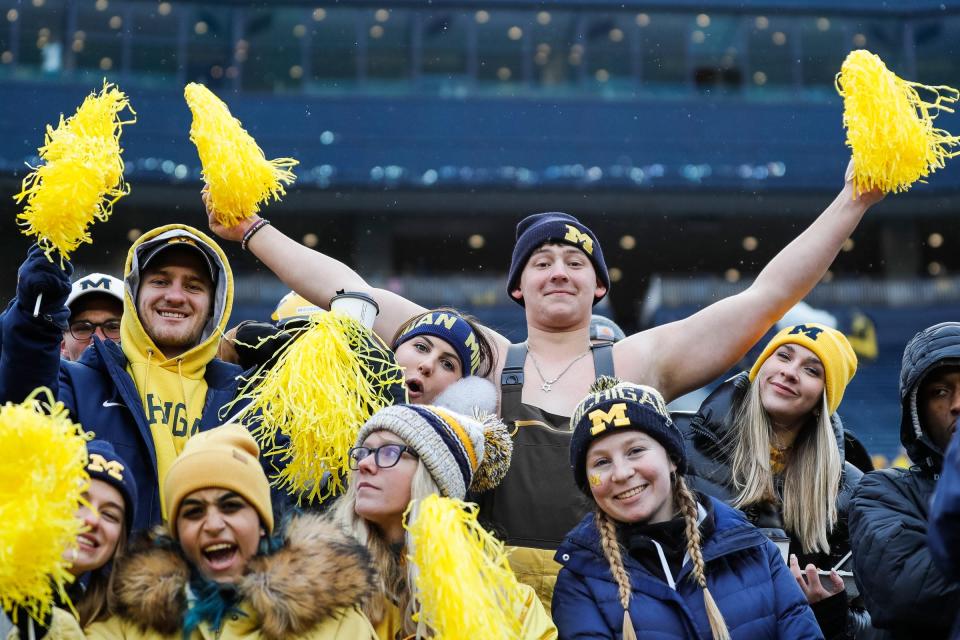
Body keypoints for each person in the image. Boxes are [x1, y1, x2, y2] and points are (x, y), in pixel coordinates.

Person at [205, 162, 882, 603]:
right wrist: (254, 230)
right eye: (543, 262)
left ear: (597, 288)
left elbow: (767, 296)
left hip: (615, 593)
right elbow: (353, 292)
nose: (559, 270)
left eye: (575, 262)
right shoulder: (488, 356)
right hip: (488, 592)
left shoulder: (640, 363)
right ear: (519, 285)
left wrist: (852, 200)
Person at [0, 224, 254, 533]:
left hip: (214, 577)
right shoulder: (79, 383)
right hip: (108, 581)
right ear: (134, 295)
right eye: (160, 281)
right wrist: (33, 319)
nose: (175, 296)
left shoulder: (247, 399)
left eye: (193, 286)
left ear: (214, 303)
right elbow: (23, 416)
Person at [34, 423, 376, 639]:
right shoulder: (133, 623)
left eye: (231, 507)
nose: (213, 525)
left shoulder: (335, 622)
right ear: (177, 535)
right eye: (193, 512)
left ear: (261, 524)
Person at [552, 378, 821, 639]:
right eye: (601, 462)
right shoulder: (579, 581)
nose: (621, 473)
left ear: (672, 458)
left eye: (635, 451)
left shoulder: (753, 548)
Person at [332, 378, 556, 639]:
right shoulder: (323, 581)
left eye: (389, 451)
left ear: (434, 477)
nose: (366, 464)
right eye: (363, 452)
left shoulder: (510, 603)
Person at [677, 323, 864, 638]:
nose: (790, 372)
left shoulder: (848, 489)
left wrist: (826, 611)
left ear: (825, 399)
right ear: (761, 365)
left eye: (812, 371)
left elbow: (870, 621)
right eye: (784, 356)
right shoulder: (682, 444)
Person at [848, 322, 960, 639]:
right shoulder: (882, 492)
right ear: (917, 413)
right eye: (940, 391)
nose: (958, 404)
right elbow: (906, 596)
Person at [6, 440, 136, 640]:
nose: (92, 519)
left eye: (110, 515)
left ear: (119, 540)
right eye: (78, 502)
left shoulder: (124, 626)